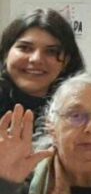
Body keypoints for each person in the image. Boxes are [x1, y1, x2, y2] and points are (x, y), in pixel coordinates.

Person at [0, 9, 85, 148]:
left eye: (51, 51)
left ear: (66, 61)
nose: (36, 59)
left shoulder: (79, 110)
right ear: (5, 54)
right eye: (25, 48)